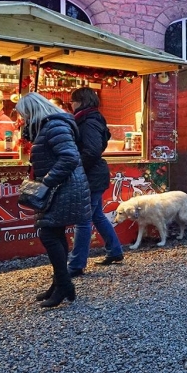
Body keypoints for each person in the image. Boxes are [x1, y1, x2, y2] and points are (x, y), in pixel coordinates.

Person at [16, 92, 91, 308]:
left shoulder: (54, 125)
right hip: (63, 186)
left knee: (48, 233)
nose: (23, 119)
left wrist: (47, 181)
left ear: (33, 111)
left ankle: (64, 285)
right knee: (54, 232)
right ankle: (58, 284)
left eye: (24, 114)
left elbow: (69, 157)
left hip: (63, 187)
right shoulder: (49, 125)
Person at [66, 87, 124, 277]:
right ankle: (114, 250)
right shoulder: (93, 118)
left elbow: (92, 151)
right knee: (97, 215)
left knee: (83, 220)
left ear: (80, 101)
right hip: (95, 174)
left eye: (72, 101)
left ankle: (76, 265)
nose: (71, 105)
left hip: (90, 176)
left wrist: (77, 168)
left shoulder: (88, 120)